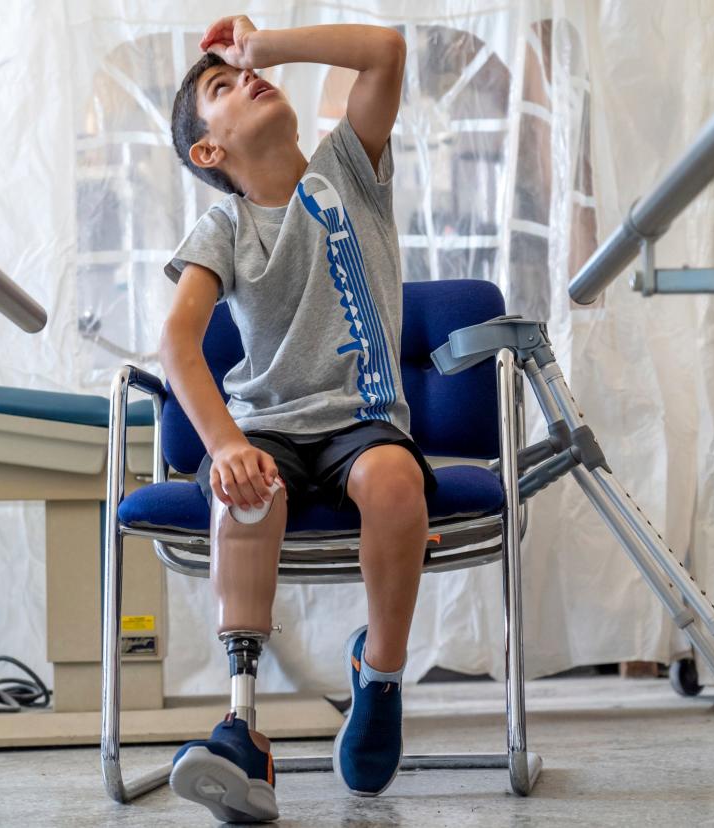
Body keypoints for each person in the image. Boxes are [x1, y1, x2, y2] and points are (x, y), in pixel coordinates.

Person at [161, 15, 433, 822]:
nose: (243, 77)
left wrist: (265, 46)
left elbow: (384, 50)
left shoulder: (348, 170)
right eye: (221, 86)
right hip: (267, 425)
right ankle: (242, 728)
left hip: (363, 420)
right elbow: (178, 342)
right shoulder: (224, 227)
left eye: (241, 70)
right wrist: (224, 444)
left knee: (391, 483)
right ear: (208, 152)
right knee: (243, 493)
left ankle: (378, 679)